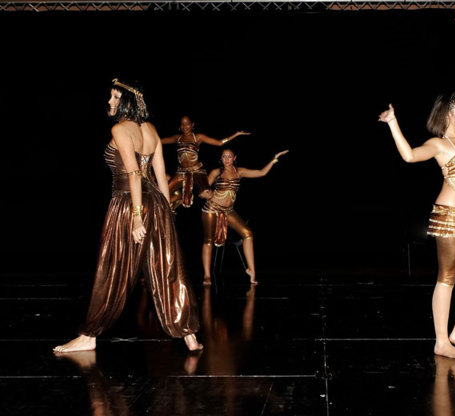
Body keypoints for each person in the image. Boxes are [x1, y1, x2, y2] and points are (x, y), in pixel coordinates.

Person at [54, 79, 202, 353]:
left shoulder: (120, 129)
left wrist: (136, 218)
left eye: (115, 97)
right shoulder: (151, 129)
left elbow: (134, 175)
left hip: (128, 203)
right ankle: (188, 334)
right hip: (157, 203)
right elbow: (160, 175)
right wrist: (167, 212)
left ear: (127, 102)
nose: (110, 101)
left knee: (113, 269)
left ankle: (89, 336)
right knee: (167, 266)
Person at [379, 93, 455, 359]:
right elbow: (409, 156)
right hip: (448, 216)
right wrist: (393, 122)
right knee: (448, 277)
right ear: (447, 114)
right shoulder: (439, 144)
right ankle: (441, 341)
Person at [201, 148, 289, 286]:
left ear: (234, 158)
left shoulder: (239, 171)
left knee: (248, 234)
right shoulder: (216, 172)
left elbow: (261, 172)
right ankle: (207, 275)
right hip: (211, 209)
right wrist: (207, 194)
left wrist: (274, 159)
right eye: (224, 156)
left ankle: (251, 271)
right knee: (208, 241)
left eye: (229, 156)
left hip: (228, 211)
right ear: (221, 158)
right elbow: (202, 191)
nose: (227, 159)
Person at [161, 116, 250, 210]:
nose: (184, 126)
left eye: (187, 124)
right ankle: (176, 200)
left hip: (197, 170)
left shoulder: (198, 137)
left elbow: (219, 143)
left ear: (192, 125)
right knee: (164, 191)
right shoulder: (177, 138)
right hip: (181, 171)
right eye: (182, 124)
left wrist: (236, 134)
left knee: (206, 191)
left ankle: (219, 209)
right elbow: (158, 141)